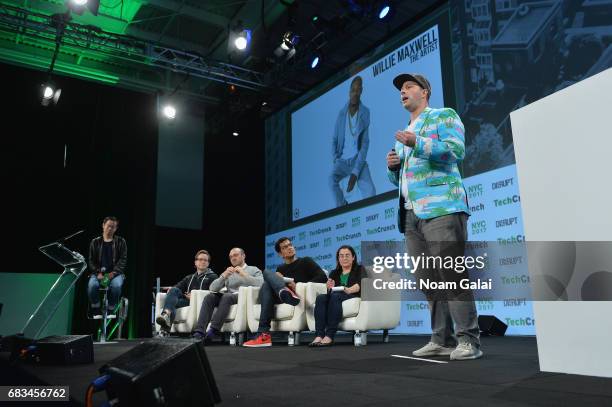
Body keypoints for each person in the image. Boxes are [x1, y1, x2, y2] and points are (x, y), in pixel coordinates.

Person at [386, 73, 482, 360]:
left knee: (451, 275)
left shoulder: (442, 116)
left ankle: (470, 341)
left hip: (442, 208)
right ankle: (442, 339)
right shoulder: (406, 131)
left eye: (408, 86)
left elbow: (456, 151)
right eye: (400, 89)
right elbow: (404, 179)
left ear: (424, 92)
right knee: (427, 279)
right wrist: (392, 168)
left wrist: (419, 142)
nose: (402, 92)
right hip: (410, 214)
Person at [243, 237, 327, 347]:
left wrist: (298, 285)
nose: (290, 248)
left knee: (267, 276)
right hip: (284, 297)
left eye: (290, 245)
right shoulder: (280, 268)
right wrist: (278, 279)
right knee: (268, 279)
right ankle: (283, 291)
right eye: (285, 247)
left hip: (297, 295)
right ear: (280, 254)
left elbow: (322, 277)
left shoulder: (306, 261)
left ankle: (263, 334)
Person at [193, 247, 263, 342]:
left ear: (243, 256)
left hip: (244, 296)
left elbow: (261, 283)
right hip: (229, 296)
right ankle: (199, 332)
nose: (233, 258)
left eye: (235, 255)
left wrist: (244, 274)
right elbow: (212, 288)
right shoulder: (230, 272)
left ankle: (213, 330)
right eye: (231, 257)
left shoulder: (253, 269)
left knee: (227, 296)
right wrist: (223, 276)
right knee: (210, 297)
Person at [330, 75, 376, 207]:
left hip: (358, 159)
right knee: (330, 181)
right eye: (352, 90)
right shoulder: (341, 114)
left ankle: (369, 220)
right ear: (349, 92)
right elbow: (334, 139)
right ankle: (343, 207)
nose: (355, 93)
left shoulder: (365, 113)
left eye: (358, 90)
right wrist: (335, 159)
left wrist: (355, 173)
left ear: (361, 91)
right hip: (343, 161)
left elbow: (365, 144)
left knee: (371, 191)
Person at [310, 245, 367, 347]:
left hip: (352, 295)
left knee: (335, 296)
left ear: (353, 257)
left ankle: (330, 335)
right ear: (338, 258)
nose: (344, 258)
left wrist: (349, 289)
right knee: (320, 298)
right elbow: (330, 290)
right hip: (336, 295)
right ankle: (319, 335)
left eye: (347, 255)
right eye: (341, 256)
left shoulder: (360, 269)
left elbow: (361, 284)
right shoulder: (334, 272)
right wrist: (329, 287)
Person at [156, 250, 218, 332]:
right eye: (200, 259)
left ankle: (164, 328)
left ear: (208, 263)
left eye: (205, 260)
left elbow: (213, 293)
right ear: (195, 262)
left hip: (199, 303)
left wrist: (195, 297)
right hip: (186, 301)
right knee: (173, 294)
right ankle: (166, 314)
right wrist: (171, 289)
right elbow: (178, 286)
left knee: (171, 303)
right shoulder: (190, 277)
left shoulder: (213, 277)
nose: (203, 262)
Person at [87, 216, 127, 319]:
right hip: (98, 274)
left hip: (115, 274)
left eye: (113, 227)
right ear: (103, 225)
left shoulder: (121, 242)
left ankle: (111, 309)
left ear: (116, 229)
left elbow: (123, 260)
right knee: (92, 286)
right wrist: (97, 273)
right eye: (108, 226)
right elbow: (91, 261)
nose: (110, 229)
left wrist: (113, 273)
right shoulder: (95, 242)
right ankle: (96, 309)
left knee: (116, 286)